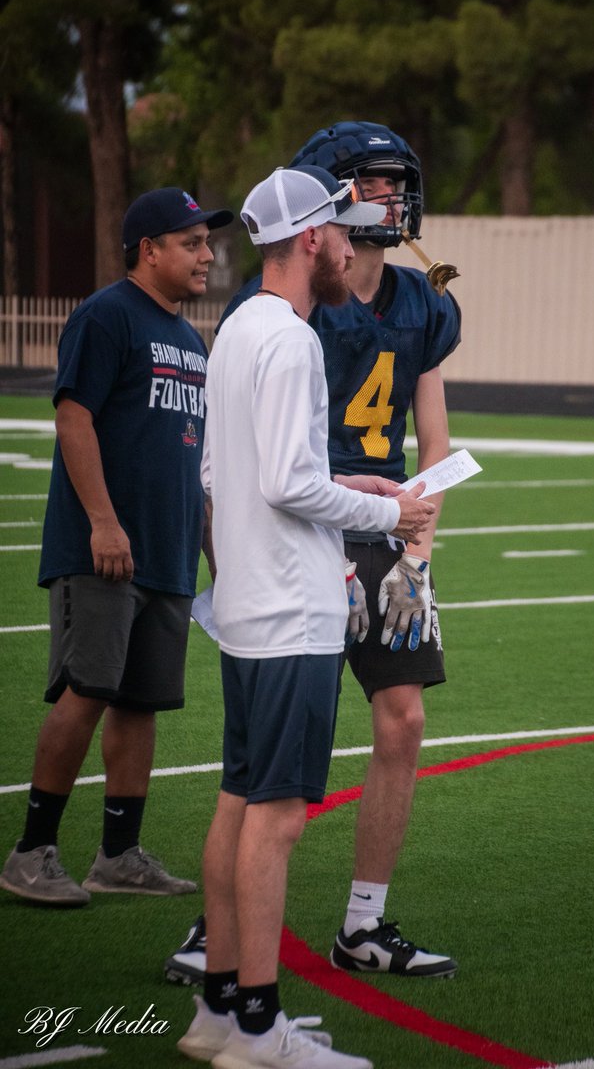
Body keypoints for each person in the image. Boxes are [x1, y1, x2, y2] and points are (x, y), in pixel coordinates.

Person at [166, 121, 461, 988]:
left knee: (403, 720)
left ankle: (363, 921)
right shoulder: (286, 315)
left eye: (396, 183)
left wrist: (417, 556)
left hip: (379, 524)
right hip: (304, 536)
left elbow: (434, 444)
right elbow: (261, 471)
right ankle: (218, 932)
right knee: (267, 765)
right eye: (372, 183)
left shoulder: (420, 303)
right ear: (325, 207)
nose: (391, 198)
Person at [0, 187, 233, 906]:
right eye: (192, 243)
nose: (207, 255)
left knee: (141, 702)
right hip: (103, 550)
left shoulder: (191, 340)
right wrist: (102, 521)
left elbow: (190, 459)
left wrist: (214, 551)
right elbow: (74, 419)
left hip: (167, 553)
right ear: (149, 250)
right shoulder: (106, 315)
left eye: (207, 242)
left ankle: (119, 854)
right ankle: (31, 852)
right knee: (89, 690)